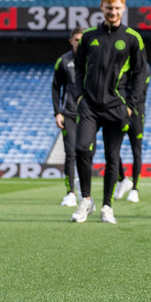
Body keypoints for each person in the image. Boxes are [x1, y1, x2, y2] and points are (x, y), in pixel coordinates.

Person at [70, 0, 144, 224]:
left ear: (123, 9)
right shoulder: (90, 36)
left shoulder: (133, 38)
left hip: (117, 107)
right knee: (82, 149)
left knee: (113, 157)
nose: (113, 12)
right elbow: (78, 67)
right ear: (101, 8)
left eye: (117, 8)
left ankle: (107, 207)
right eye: (108, 8)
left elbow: (140, 74)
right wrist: (80, 96)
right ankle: (86, 200)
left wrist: (131, 105)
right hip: (90, 105)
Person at [115, 42, 151, 203]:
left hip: (136, 112)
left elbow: (139, 90)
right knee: (113, 149)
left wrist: (130, 106)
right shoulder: (121, 65)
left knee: (136, 151)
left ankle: (135, 189)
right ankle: (122, 179)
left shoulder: (143, 68)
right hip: (119, 111)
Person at [52, 27, 84, 207]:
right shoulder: (63, 61)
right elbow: (56, 87)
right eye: (76, 39)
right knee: (70, 153)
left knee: (85, 153)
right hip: (70, 114)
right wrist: (57, 111)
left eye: (82, 39)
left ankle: (84, 189)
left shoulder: (92, 60)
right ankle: (70, 192)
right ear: (71, 40)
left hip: (89, 114)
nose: (79, 42)